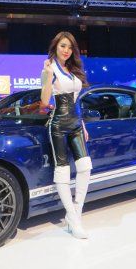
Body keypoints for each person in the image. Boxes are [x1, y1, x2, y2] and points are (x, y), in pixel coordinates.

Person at [41, 31, 92, 239]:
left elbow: (76, 99)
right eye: (63, 46)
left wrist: (83, 124)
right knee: (62, 170)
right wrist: (48, 78)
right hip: (59, 124)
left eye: (70, 47)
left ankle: (75, 214)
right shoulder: (49, 68)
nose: (66, 50)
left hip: (76, 122)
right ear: (56, 46)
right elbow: (45, 102)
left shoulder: (71, 70)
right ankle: (72, 215)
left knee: (85, 166)